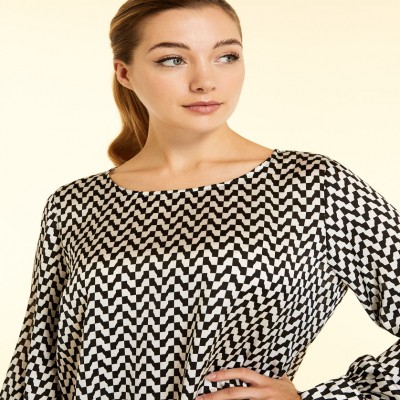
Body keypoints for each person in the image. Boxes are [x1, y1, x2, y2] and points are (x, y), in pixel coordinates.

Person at [1, 0, 399, 399]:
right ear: (125, 73)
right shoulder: (75, 204)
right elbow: (35, 365)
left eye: (226, 56)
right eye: (173, 60)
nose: (205, 81)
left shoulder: (313, 187)